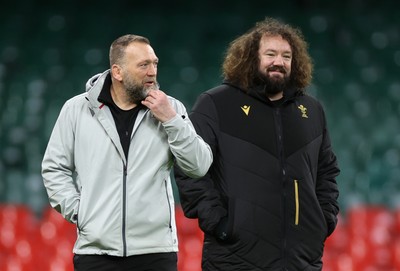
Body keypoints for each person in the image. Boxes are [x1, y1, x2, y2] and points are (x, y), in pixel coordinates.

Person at [175, 17, 340, 271]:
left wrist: (323, 221)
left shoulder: (312, 110)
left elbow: (327, 171)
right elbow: (189, 167)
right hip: (235, 258)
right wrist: (219, 223)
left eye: (286, 56)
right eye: (270, 54)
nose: (279, 62)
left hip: (301, 260)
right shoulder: (216, 103)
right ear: (251, 57)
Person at [41, 34, 213, 271]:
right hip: (96, 252)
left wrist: (171, 120)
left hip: (156, 251)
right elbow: (54, 168)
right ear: (118, 72)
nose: (152, 71)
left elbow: (199, 166)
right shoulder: (76, 109)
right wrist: (82, 213)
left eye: (155, 63)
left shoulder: (171, 108)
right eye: (143, 65)